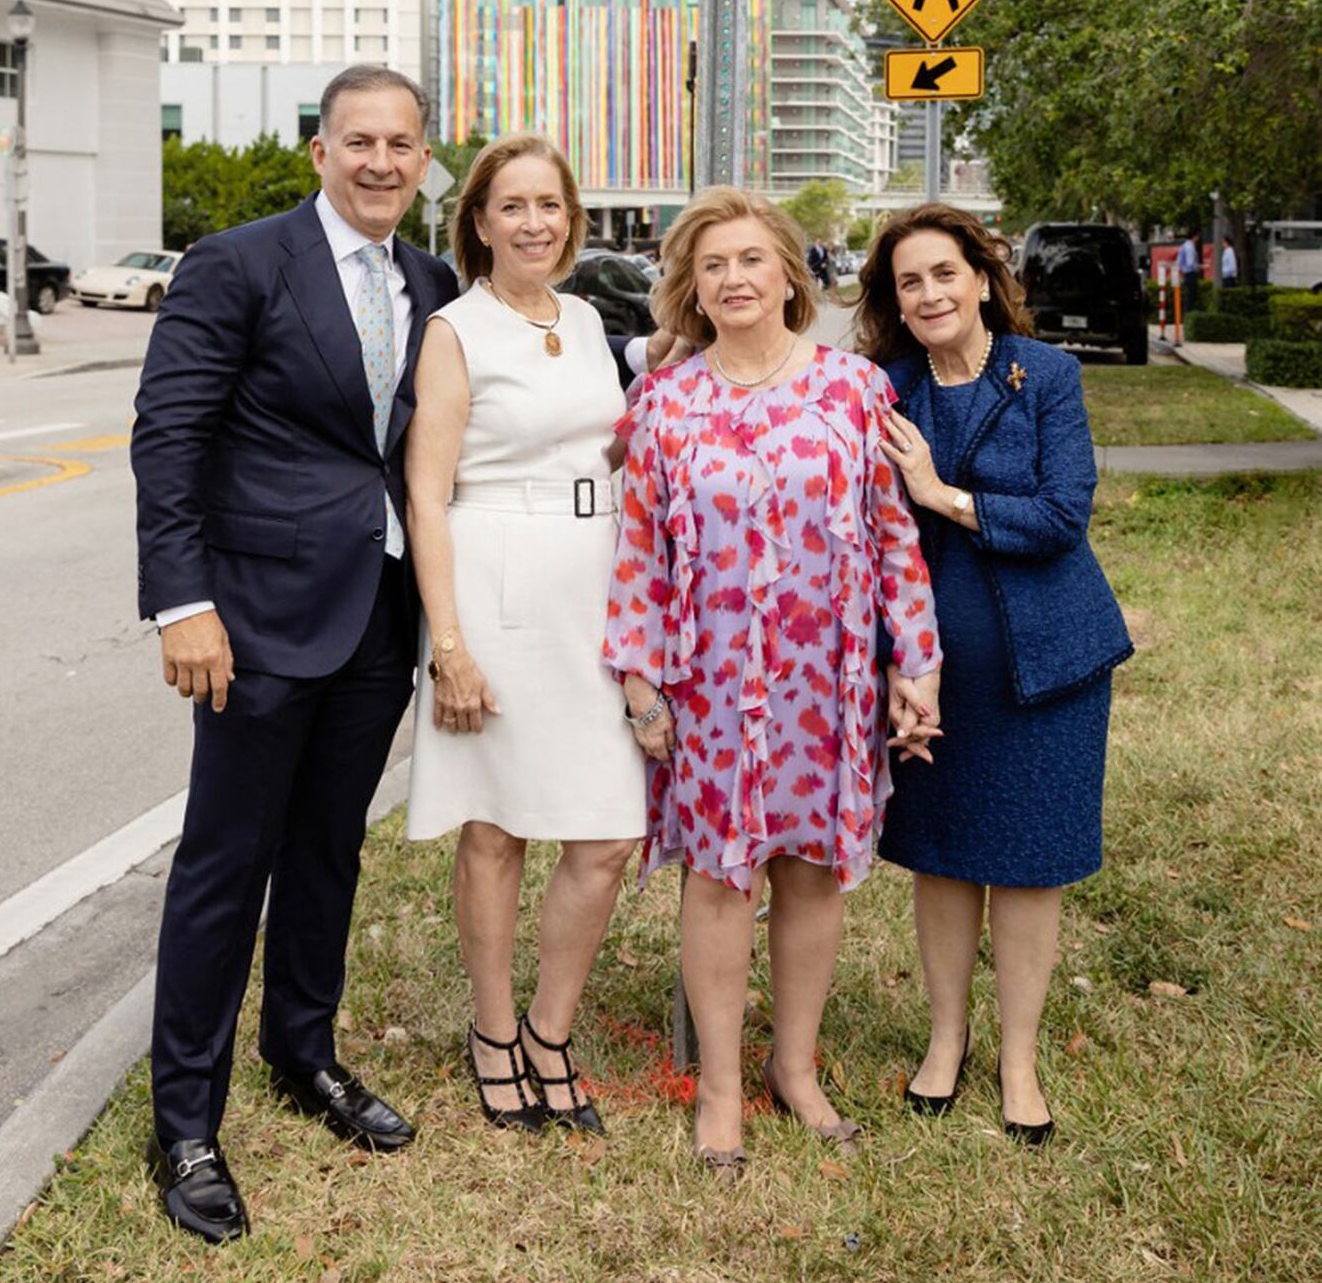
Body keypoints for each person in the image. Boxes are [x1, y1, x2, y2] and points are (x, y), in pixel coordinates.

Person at [131, 65, 458, 1243]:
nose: (380, 161)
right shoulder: (237, 262)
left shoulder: (434, 283)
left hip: (376, 610)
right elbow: (169, 435)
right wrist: (182, 600)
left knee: (327, 850)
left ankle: (302, 1050)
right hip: (257, 616)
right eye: (359, 140)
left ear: (424, 158)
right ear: (320, 150)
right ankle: (185, 1123)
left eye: (401, 143)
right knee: (226, 864)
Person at [603, 187, 942, 1177]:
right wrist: (640, 682)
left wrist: (915, 659)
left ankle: (793, 1066)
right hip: (708, 683)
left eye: (752, 259)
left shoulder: (853, 389)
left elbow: (892, 535)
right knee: (719, 876)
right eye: (712, 265)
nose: (734, 278)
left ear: (790, 275)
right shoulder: (664, 404)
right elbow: (641, 552)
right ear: (691, 288)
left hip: (824, 680)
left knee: (809, 869)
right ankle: (718, 1087)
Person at [857, 203, 1132, 1146]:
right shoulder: (885, 391)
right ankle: (946, 1039)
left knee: (1026, 865)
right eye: (909, 282)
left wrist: (939, 495)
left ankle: (1018, 1058)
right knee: (941, 858)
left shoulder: (1044, 374)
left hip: (1046, 667)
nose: (929, 293)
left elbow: (1061, 515)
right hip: (927, 672)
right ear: (893, 301)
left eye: (944, 273)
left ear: (980, 278)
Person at [405, 134, 646, 1134]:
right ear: (480, 221)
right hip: (494, 581)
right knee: (495, 826)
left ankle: (551, 1029)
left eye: (549, 204)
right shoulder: (454, 329)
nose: (534, 222)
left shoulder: (585, 318)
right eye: (512, 205)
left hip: (593, 583)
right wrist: (450, 645)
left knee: (610, 830)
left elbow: (605, 443)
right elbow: (426, 494)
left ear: (571, 219)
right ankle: (495, 1031)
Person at [1177, 230, 1201, 313]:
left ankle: (1187, 314)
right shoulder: (1190, 247)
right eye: (1197, 236)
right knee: (1191, 296)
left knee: (1188, 296)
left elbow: (1179, 261)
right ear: (1194, 237)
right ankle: (1189, 314)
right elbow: (1191, 263)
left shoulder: (1184, 245)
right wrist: (1199, 266)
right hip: (1191, 273)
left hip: (1186, 273)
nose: (1198, 238)